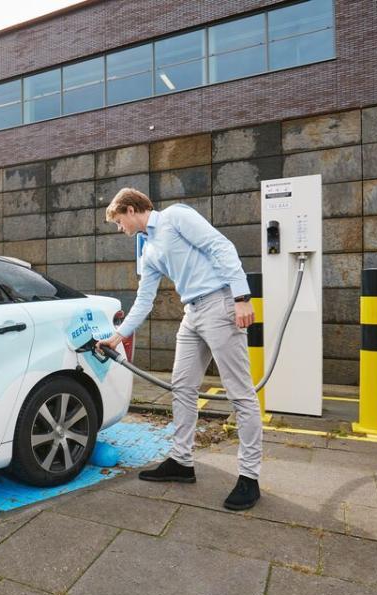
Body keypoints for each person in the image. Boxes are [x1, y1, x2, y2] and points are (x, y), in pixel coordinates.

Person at [96, 187, 262, 510]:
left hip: (220, 303)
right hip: (193, 313)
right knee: (182, 387)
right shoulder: (147, 249)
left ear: (131, 210)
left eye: (119, 222)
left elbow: (220, 246)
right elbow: (145, 299)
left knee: (240, 393)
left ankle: (250, 477)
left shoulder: (175, 217)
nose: (120, 229)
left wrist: (242, 298)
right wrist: (118, 336)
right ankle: (181, 461)